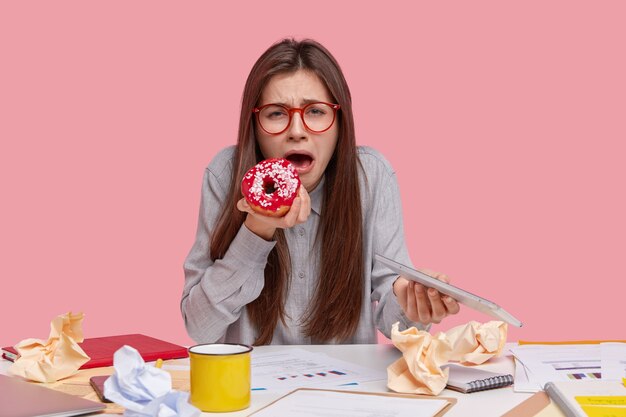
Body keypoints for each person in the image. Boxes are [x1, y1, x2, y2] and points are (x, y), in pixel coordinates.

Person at [181, 38, 460, 346]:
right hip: (252, 390)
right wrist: (257, 229)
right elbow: (199, 327)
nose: (297, 131)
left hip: (347, 389)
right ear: (255, 126)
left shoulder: (371, 176)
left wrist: (413, 303)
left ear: (340, 122)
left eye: (315, 111)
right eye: (276, 113)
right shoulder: (225, 175)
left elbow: (394, 321)